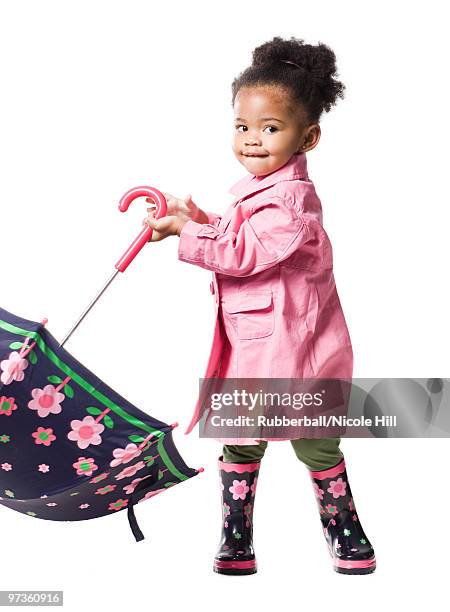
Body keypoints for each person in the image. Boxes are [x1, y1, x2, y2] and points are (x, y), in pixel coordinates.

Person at [143, 36, 376, 576]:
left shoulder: (291, 203)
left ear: (308, 137)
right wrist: (193, 216)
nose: (252, 140)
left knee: (317, 446)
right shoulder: (259, 189)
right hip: (253, 354)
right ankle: (236, 539)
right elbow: (233, 234)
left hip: (300, 355)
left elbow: (245, 253)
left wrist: (186, 232)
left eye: (271, 129)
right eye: (243, 127)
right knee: (240, 445)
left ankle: (346, 533)